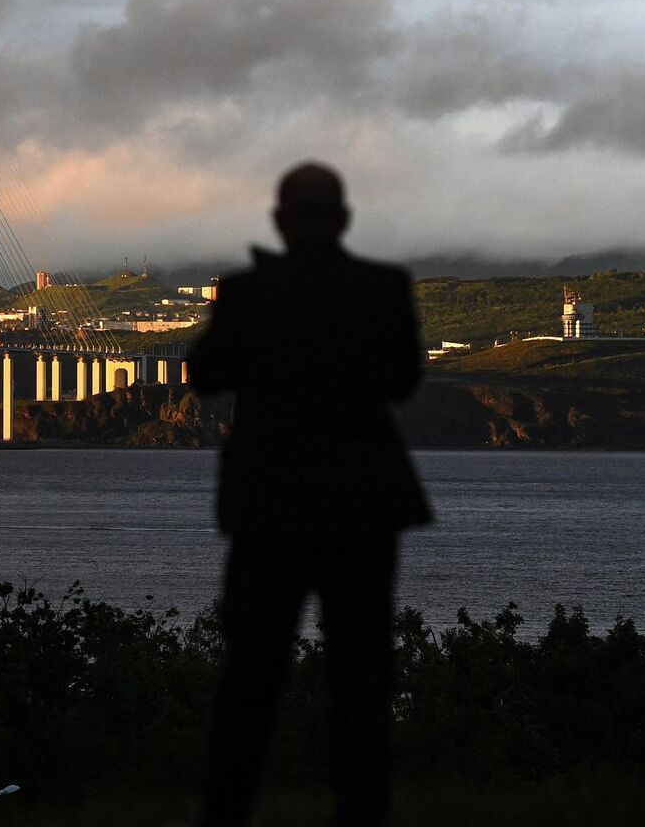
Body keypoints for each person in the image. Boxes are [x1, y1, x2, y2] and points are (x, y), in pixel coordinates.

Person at [187, 162, 431, 827]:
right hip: (362, 504)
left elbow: (204, 374)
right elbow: (403, 382)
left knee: (250, 672)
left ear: (279, 221)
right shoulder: (383, 288)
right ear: (345, 219)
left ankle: (227, 813)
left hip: (268, 506)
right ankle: (362, 812)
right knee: (362, 672)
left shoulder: (248, 291)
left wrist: (232, 314)